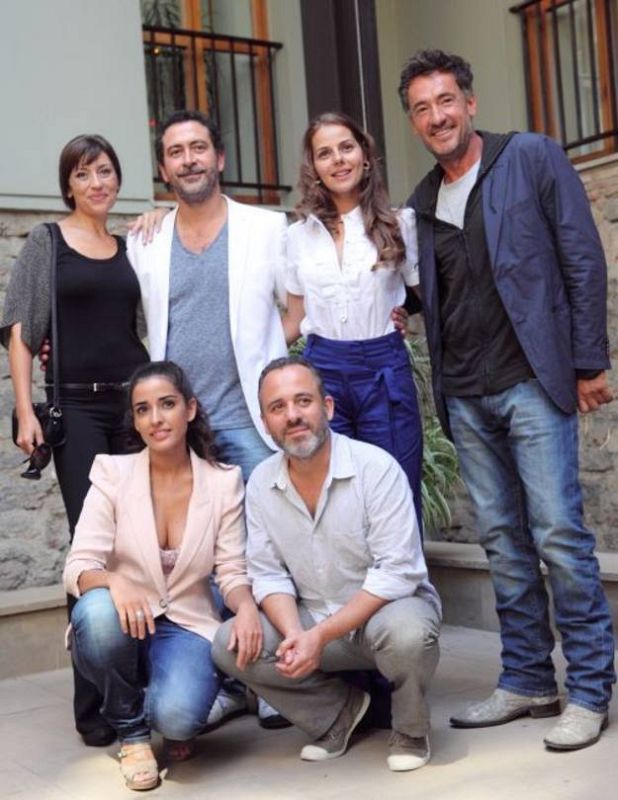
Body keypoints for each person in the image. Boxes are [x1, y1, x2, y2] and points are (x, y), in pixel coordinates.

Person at [398, 48, 615, 751]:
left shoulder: (530, 158)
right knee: (503, 543)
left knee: (558, 535)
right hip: (466, 395)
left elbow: (581, 257)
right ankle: (527, 679)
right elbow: (425, 290)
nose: (437, 116)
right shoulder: (419, 205)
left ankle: (590, 689)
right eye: (422, 108)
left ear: (470, 103)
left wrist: (588, 361)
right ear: (414, 121)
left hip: (532, 381)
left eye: (445, 101)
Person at [126, 109, 289, 728]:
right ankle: (227, 677)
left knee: (264, 547)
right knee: (198, 559)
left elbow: (297, 306)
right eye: (176, 152)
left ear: (219, 158)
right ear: (164, 169)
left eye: (199, 148)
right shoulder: (146, 240)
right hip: (184, 428)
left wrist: (269, 362)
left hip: (248, 417)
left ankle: (271, 676)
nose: (189, 159)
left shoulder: (265, 228)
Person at [213, 356, 441, 772]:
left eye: (303, 401)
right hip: (313, 617)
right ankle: (337, 715)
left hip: (383, 616)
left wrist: (319, 637)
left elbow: (397, 571)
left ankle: (410, 728)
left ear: (328, 407)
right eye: (278, 407)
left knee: (409, 633)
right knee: (230, 643)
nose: (292, 415)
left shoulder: (376, 468)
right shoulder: (261, 482)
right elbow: (267, 574)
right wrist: (296, 635)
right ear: (265, 423)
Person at [1, 134, 149, 747]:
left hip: (134, 407)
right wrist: (23, 409)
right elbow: (19, 330)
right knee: (93, 550)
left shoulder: (131, 246)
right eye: (84, 174)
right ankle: (94, 706)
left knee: (139, 545)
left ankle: (141, 689)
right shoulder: (47, 243)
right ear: (68, 185)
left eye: (105, 171)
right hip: (78, 407)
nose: (97, 183)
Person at [63, 361, 261, 790]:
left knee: (178, 720)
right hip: (123, 620)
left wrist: (246, 608)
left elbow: (231, 569)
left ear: (190, 409)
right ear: (135, 421)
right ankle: (133, 735)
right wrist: (116, 581)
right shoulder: (112, 474)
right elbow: (78, 566)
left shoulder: (224, 482)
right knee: (96, 613)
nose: (156, 418)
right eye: (143, 409)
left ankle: (201, 698)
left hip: (186, 623)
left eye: (167, 404)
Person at [283, 112, 423, 529]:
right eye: (325, 153)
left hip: (384, 369)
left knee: (395, 487)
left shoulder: (400, 223)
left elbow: (426, 296)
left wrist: (406, 314)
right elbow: (294, 318)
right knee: (335, 496)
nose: (338, 160)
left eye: (346, 147)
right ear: (314, 167)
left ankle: (403, 574)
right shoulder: (297, 236)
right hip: (323, 372)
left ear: (364, 155)